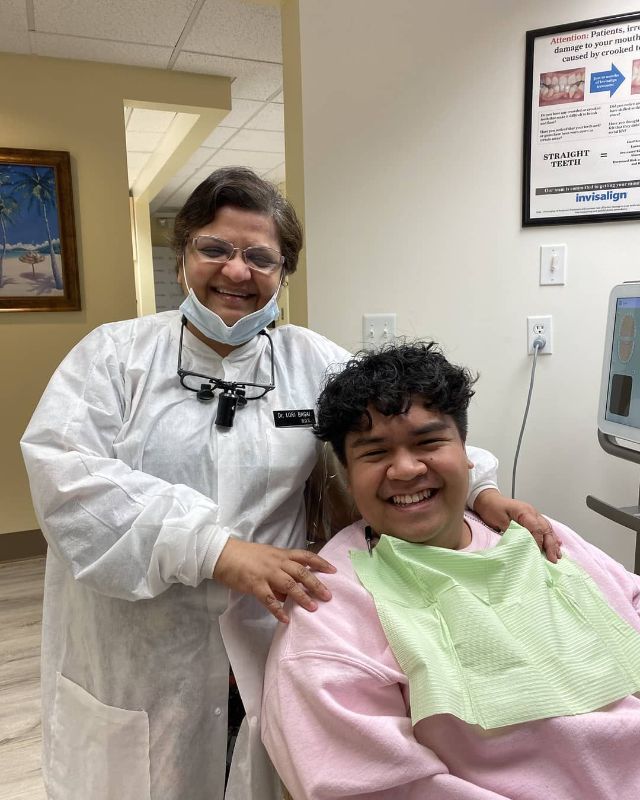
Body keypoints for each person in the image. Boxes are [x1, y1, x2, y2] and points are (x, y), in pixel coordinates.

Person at [21, 168, 555, 800]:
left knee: (259, 771)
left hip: (267, 633)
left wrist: (479, 492)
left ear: (283, 272)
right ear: (183, 252)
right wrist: (215, 550)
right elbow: (68, 479)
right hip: (137, 645)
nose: (236, 272)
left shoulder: (312, 362)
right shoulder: (112, 357)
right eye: (215, 249)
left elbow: (401, 434)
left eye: (260, 258)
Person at [262, 341, 640, 800]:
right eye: (375, 453)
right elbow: (367, 785)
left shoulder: (535, 536)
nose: (404, 469)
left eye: (428, 442)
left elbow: (629, 602)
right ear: (346, 472)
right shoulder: (333, 611)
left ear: (468, 454)